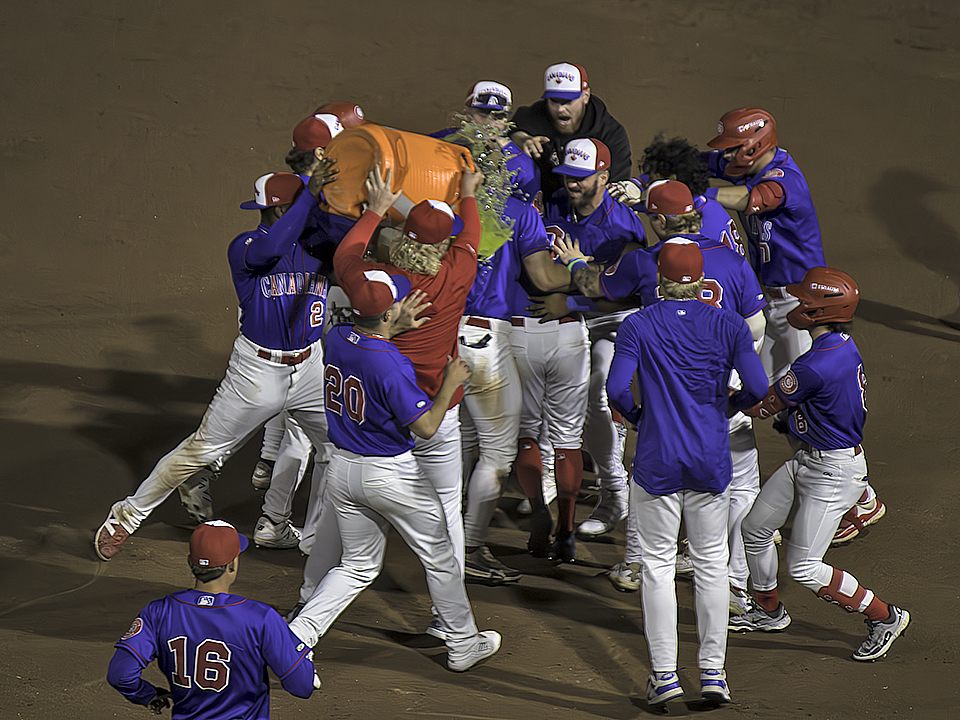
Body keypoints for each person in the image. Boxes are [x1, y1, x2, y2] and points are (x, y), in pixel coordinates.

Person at [288, 171, 501, 672]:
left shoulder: (381, 293)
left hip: (353, 448)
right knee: (444, 519)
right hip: (421, 427)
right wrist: (468, 194)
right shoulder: (457, 271)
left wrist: (377, 208)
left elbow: (346, 258)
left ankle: (302, 615)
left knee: (345, 547)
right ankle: (452, 632)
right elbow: (469, 234)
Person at [95, 171, 334, 561]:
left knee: (337, 448)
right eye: (304, 203)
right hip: (257, 373)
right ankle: (126, 517)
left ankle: (310, 535)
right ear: (282, 209)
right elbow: (273, 247)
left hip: (310, 367)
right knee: (200, 451)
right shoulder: (246, 246)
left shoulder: (318, 246)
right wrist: (309, 194)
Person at [557, 179, 766, 612]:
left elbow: (596, 286)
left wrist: (576, 261)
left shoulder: (647, 261)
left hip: (670, 396)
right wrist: (734, 378)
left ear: (656, 219)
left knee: (649, 477)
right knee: (741, 486)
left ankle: (637, 564)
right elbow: (757, 326)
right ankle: (737, 584)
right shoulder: (732, 258)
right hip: (726, 385)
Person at [702, 108, 883, 544]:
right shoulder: (747, 163)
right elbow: (702, 163)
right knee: (761, 391)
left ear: (753, 148)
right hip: (774, 304)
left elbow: (751, 200)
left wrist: (700, 198)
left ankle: (859, 499)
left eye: (731, 149)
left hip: (800, 310)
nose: (725, 156)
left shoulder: (784, 178)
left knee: (799, 405)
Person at [606, 240, 768, 706]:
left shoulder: (638, 324)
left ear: (660, 279)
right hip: (710, 460)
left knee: (656, 567)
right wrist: (726, 408)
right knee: (712, 565)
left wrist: (639, 417)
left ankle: (665, 677)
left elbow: (616, 388)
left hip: (657, 460)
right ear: (700, 280)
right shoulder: (730, 324)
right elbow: (757, 389)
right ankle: (713, 673)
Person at [732, 267, 911, 662]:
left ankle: (885, 617)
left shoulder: (814, 366)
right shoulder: (841, 346)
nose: (796, 302)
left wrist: (718, 387)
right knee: (755, 529)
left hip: (831, 473)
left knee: (804, 567)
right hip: (810, 461)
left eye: (803, 299)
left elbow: (761, 407)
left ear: (816, 311)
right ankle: (768, 611)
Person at [458, 193, 573, 583]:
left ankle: (446, 538)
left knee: (455, 440)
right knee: (497, 453)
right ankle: (470, 548)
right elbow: (543, 277)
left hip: (439, 330)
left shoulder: (441, 198)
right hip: (485, 338)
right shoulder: (518, 210)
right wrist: (580, 267)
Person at [538, 137, 647, 540]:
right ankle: (554, 474)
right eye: (569, 176)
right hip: (570, 318)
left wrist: (566, 297)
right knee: (547, 391)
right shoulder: (552, 204)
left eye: (582, 178)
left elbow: (626, 288)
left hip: (614, 319)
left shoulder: (625, 223)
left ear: (603, 176)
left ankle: (613, 492)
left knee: (597, 387)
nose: (573, 184)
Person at [107, 520, 318, 718]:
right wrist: (302, 656)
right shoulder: (260, 617)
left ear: (190, 562)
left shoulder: (158, 612)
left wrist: (147, 694)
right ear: (232, 565)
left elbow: (121, 675)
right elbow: (301, 686)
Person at [511, 62, 631, 198]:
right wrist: (522, 139)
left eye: (568, 101)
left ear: (585, 96)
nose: (560, 109)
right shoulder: (533, 115)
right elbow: (514, 131)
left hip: (588, 208)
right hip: (540, 206)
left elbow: (617, 187)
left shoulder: (610, 133)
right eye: (554, 101)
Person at [430, 80, 541, 204]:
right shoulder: (440, 142)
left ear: (506, 120)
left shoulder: (524, 166)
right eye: (483, 113)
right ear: (466, 113)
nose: (490, 123)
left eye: (498, 116)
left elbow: (527, 214)